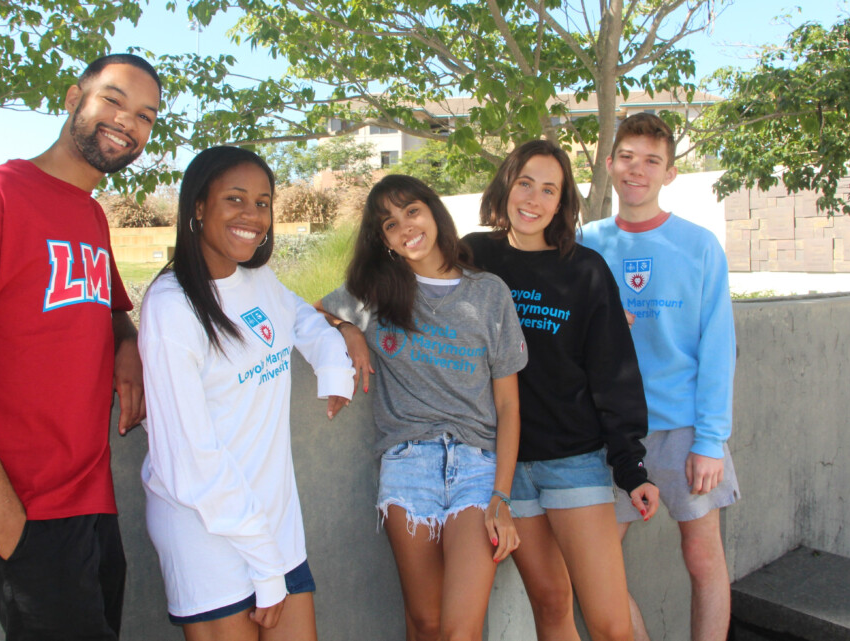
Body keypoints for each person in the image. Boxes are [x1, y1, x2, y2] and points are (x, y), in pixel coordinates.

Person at [0, 54, 160, 639]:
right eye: (114, 101)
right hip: (22, 506)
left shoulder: (91, 216)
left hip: (87, 496)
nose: (129, 122)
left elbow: (107, 312)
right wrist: (5, 521)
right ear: (74, 99)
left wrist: (126, 343)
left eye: (146, 116)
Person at [139, 146, 354, 641]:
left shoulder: (258, 278)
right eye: (235, 199)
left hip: (277, 524)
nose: (252, 216)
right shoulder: (172, 306)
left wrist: (335, 368)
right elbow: (191, 462)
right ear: (197, 207)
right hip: (208, 534)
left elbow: (303, 317)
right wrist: (262, 562)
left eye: (262, 202)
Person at [462, 139, 659, 641]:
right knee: (551, 606)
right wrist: (347, 325)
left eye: (548, 189)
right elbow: (405, 279)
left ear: (561, 201)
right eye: (525, 182)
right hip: (507, 467)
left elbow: (613, 370)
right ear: (506, 183)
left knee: (610, 623)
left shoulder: (586, 270)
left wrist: (631, 465)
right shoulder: (474, 255)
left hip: (574, 460)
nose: (533, 198)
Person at [317, 174, 527, 641]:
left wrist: (502, 495)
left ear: (433, 211)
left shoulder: (490, 293)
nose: (405, 227)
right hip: (407, 464)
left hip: (477, 468)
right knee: (426, 623)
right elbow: (308, 313)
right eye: (389, 224)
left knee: (459, 629)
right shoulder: (373, 292)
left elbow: (509, 405)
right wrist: (349, 329)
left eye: (412, 211)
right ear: (384, 241)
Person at [579, 113, 740, 641]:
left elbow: (718, 348)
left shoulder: (698, 245)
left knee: (702, 558)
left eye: (652, 160)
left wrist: (712, 440)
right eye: (627, 157)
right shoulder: (585, 244)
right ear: (610, 163)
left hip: (685, 430)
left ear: (669, 173)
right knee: (596, 570)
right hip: (609, 432)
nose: (637, 169)